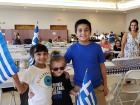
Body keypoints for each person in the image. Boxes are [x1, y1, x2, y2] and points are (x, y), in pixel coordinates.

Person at [64, 19, 108, 105]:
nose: (83, 33)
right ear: (76, 33)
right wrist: (64, 72)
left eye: (86, 30)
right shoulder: (72, 49)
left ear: (90, 32)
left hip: (97, 87)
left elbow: (102, 67)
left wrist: (105, 85)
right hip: (80, 88)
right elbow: (62, 64)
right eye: (80, 30)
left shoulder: (97, 47)